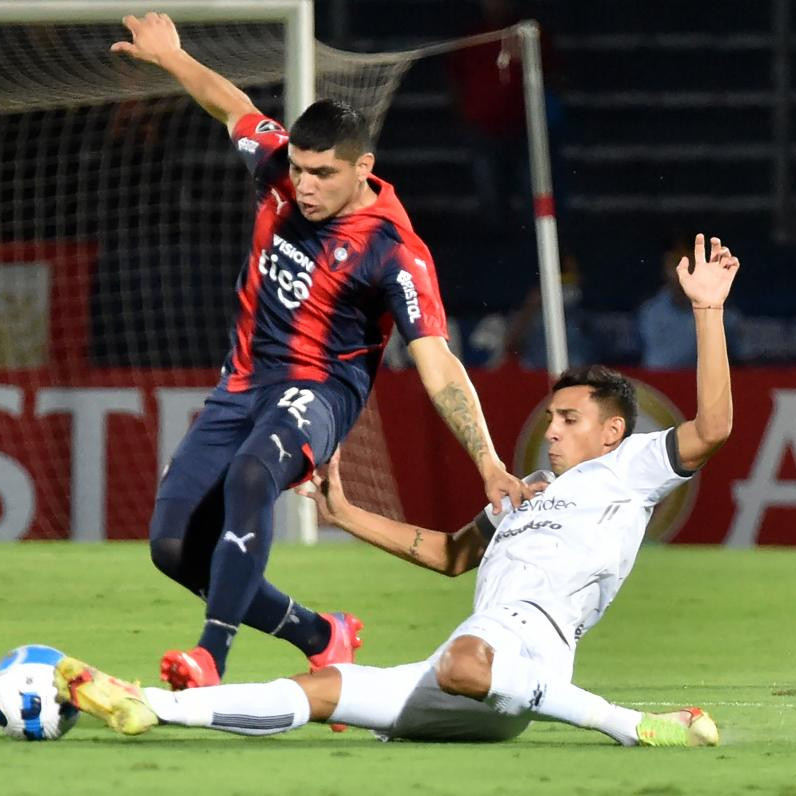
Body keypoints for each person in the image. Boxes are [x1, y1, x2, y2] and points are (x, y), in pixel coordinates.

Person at [54, 234, 740, 747]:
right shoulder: (529, 489)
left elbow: (714, 426)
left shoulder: (632, 469)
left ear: (613, 431)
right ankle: (148, 705)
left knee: (465, 659)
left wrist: (707, 311)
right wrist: (346, 512)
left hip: (522, 654)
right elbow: (448, 554)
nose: (553, 431)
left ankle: (637, 727)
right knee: (321, 691)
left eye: (570, 419)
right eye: (552, 417)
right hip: (474, 672)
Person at [109, 13, 535, 692]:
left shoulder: (394, 252)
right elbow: (233, 106)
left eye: (323, 174)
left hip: (320, 393)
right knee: (172, 548)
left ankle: (209, 659)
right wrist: (172, 57)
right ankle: (319, 635)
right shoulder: (279, 167)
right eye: (300, 169)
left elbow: (437, 360)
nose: (304, 185)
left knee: (252, 477)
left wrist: (486, 458)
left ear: (363, 167)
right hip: (242, 384)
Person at [637, 234, 743, 369]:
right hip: (659, 387)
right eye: (675, 263)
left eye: (690, 263)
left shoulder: (725, 316)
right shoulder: (649, 313)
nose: (682, 271)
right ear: (665, 267)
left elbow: (739, 365)